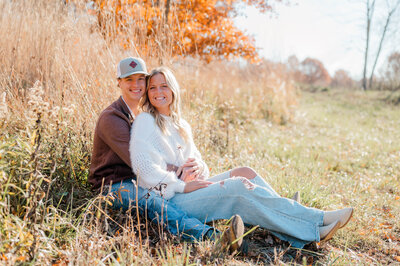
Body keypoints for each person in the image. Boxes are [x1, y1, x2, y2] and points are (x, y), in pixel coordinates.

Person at [129, 66, 354, 248]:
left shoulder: (182, 124)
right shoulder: (145, 121)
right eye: (153, 88)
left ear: (173, 90)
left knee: (245, 172)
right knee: (237, 188)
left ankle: (291, 225)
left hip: (194, 188)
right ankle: (316, 223)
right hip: (174, 200)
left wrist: (199, 166)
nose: (158, 92)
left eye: (164, 86)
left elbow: (202, 167)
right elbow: (143, 170)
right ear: (148, 93)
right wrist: (181, 185)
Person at [88, 57, 244, 250]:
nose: (136, 85)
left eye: (140, 79)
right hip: (114, 186)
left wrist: (191, 168)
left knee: (200, 188)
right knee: (153, 202)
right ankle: (213, 237)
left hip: (145, 181)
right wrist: (179, 173)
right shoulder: (112, 117)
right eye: (129, 79)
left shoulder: (146, 114)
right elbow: (141, 162)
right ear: (119, 82)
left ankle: (262, 215)